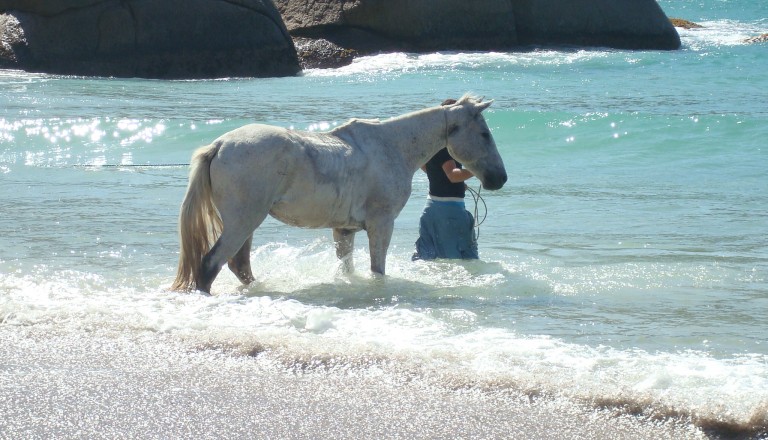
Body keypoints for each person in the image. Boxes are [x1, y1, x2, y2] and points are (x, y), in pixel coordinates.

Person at [413, 99, 479, 261]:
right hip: (450, 212)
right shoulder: (446, 146)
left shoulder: (432, 141)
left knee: (429, 258)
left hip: (431, 208)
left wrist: (439, 178)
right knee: (466, 259)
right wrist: (478, 169)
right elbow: (453, 175)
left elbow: (421, 163)